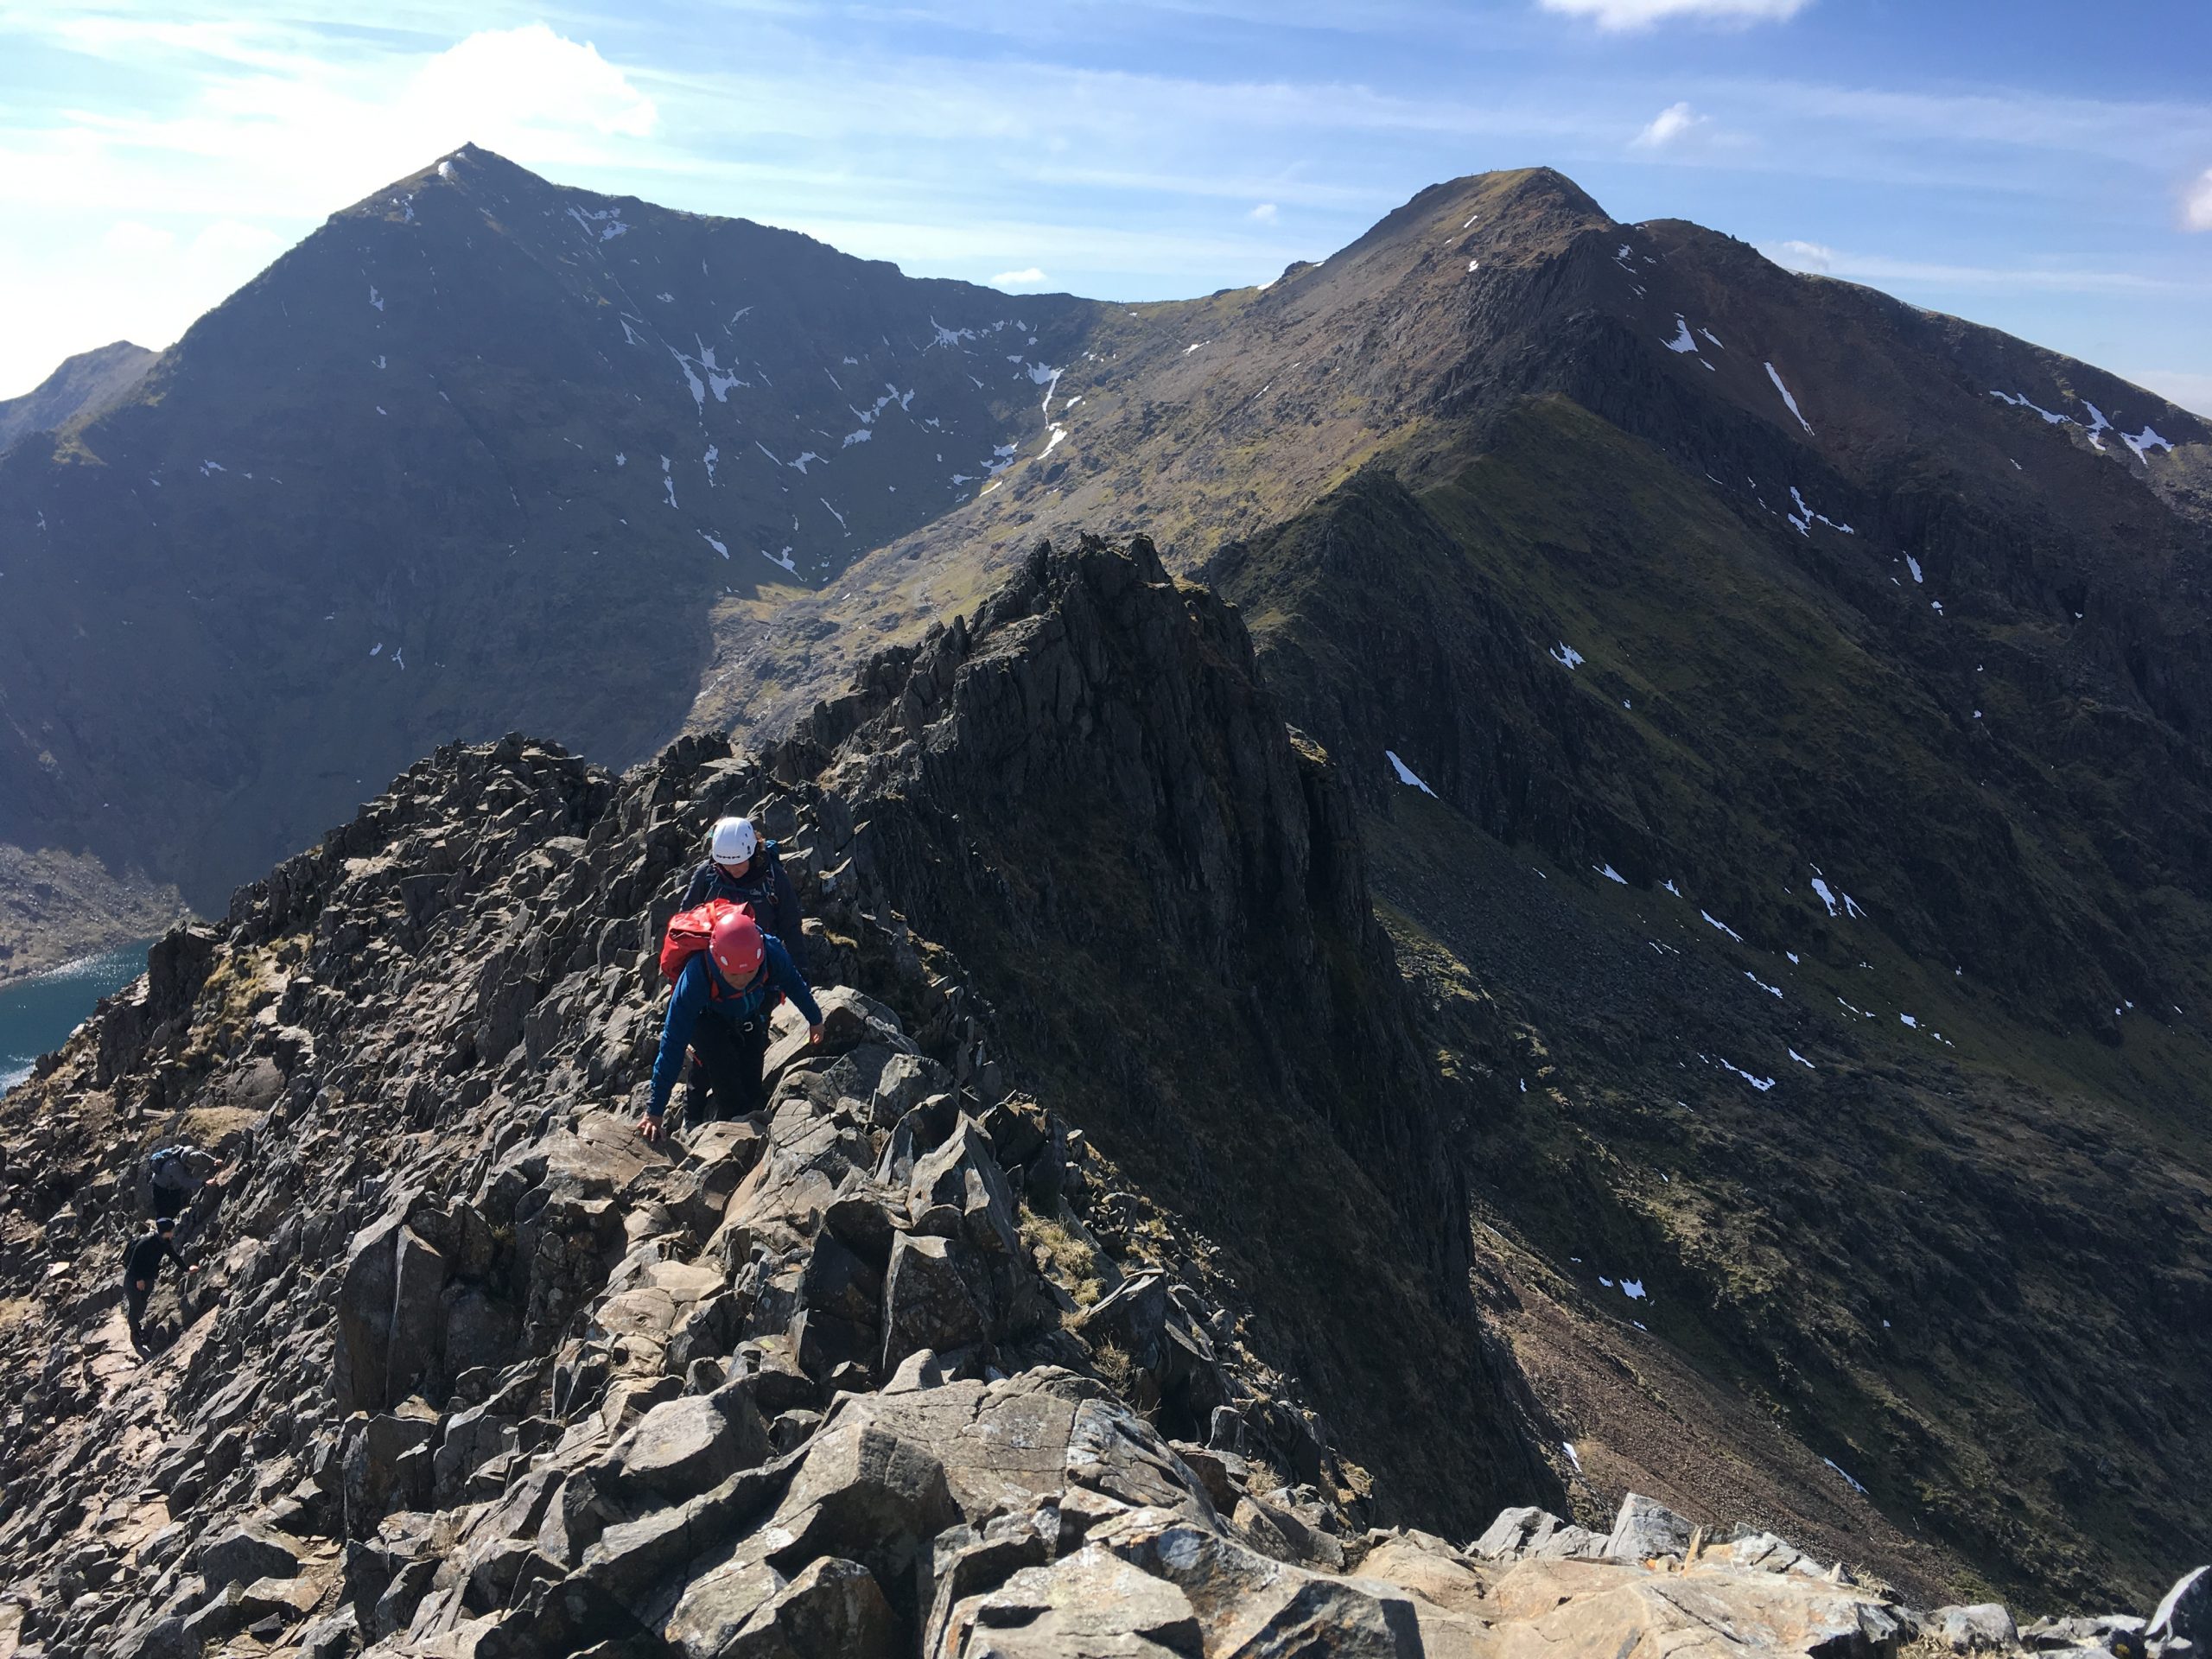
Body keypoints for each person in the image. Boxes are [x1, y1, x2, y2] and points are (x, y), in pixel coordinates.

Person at [640, 906, 823, 1143]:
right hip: (706, 1018)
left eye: (749, 972)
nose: (742, 979)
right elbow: (672, 1043)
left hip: (749, 1011)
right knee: (724, 1073)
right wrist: (654, 1112)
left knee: (752, 1082)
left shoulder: (771, 951)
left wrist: (815, 1019)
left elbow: (794, 984)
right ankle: (719, 1134)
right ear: (717, 959)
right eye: (733, 975)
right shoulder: (696, 975)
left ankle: (734, 1118)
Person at [681, 817, 801, 944]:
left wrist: (800, 964)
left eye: (738, 863)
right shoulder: (706, 875)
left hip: (763, 955)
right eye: (725, 864)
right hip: (714, 956)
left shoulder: (773, 876)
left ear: (753, 852)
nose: (732, 869)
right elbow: (686, 921)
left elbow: (791, 924)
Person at [124, 1216, 196, 1352]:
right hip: (133, 1279)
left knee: (142, 1304)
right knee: (135, 1305)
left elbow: (173, 1255)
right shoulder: (146, 1241)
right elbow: (134, 1262)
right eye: (171, 1230)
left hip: (148, 1277)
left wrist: (186, 1269)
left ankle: (138, 1329)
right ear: (165, 1231)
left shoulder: (164, 1242)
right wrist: (139, 1279)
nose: (173, 1232)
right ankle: (135, 1334)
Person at [147, 1143, 215, 1221]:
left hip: (174, 1186)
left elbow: (201, 1154)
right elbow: (185, 1181)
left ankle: (171, 1225)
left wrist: (214, 1160)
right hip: (161, 1187)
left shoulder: (189, 1150)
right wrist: (204, 1183)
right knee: (163, 1211)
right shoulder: (174, 1166)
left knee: (175, 1208)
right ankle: (164, 1230)